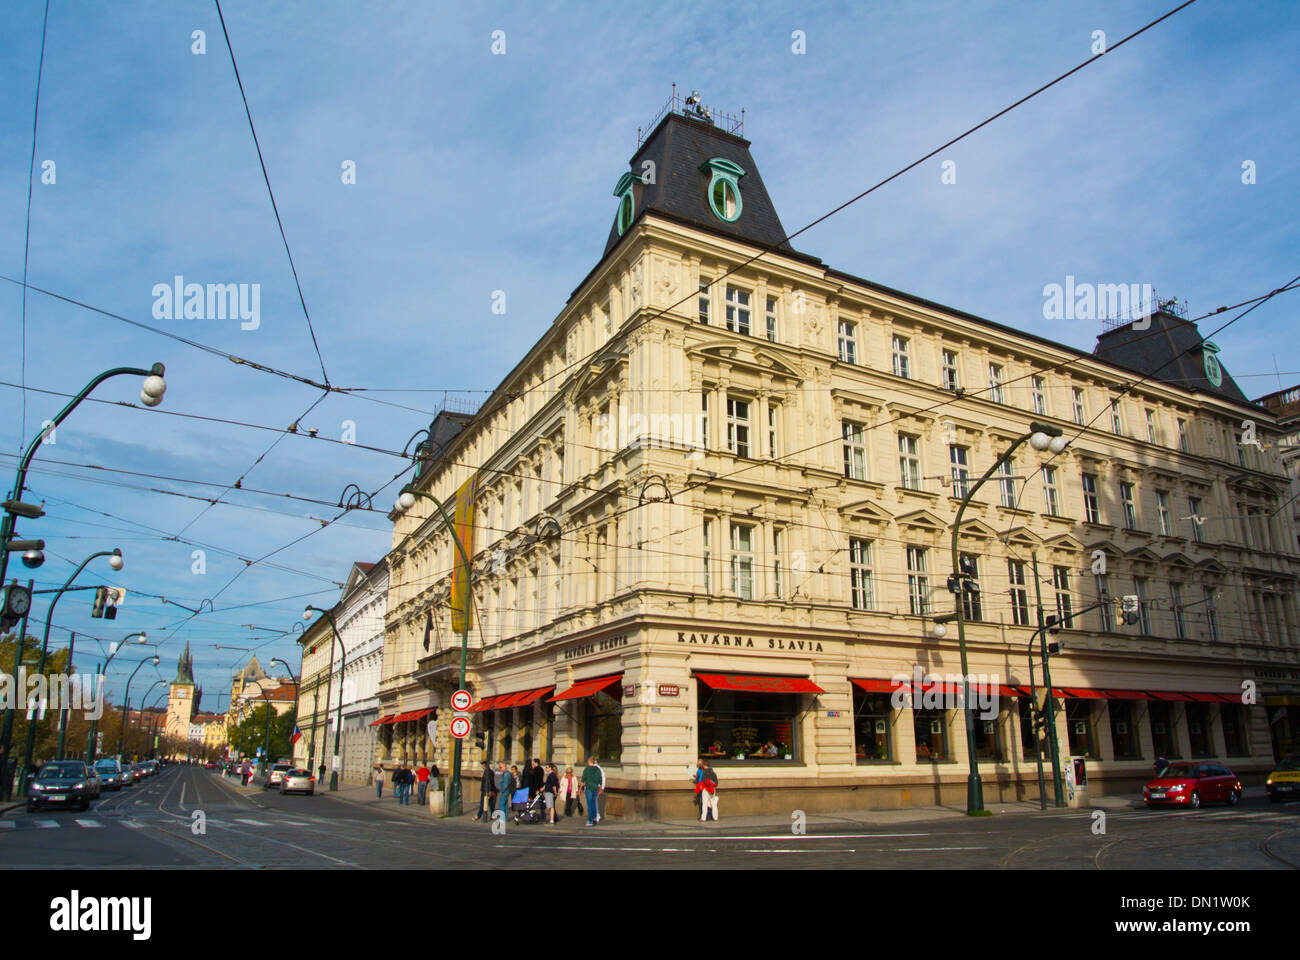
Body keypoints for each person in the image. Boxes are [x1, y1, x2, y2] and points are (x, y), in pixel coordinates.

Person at [581, 756, 603, 827]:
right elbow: (600, 779)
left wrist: (580, 788)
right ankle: (594, 818)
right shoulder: (598, 770)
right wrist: (600, 787)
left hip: (589, 788)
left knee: (589, 804)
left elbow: (583, 779)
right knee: (594, 803)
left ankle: (590, 820)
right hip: (595, 788)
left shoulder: (587, 769)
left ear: (589, 762)